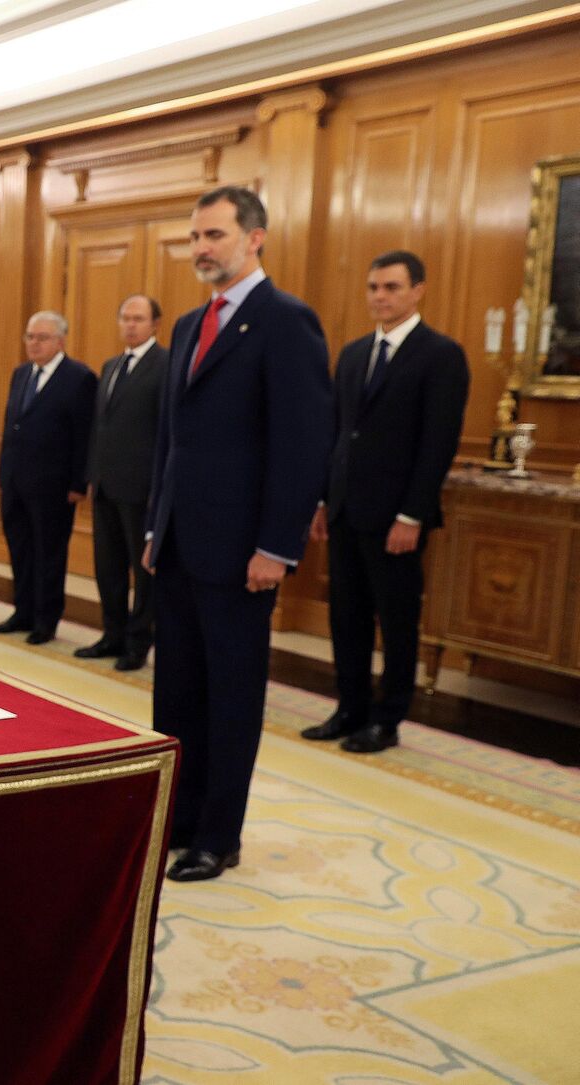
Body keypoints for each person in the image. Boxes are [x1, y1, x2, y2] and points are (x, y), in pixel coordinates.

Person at [145, 186, 332, 882]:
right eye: (195, 236)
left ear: (255, 238)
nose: (201, 248)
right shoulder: (190, 324)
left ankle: (219, 836)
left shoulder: (287, 321)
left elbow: (302, 444)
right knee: (177, 693)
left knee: (230, 698)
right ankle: (181, 818)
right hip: (179, 543)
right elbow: (172, 439)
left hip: (242, 552)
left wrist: (277, 546)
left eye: (215, 235)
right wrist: (155, 524)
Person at [304, 250, 468, 754]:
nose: (380, 296)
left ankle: (388, 718)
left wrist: (412, 514)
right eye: (374, 287)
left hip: (397, 515)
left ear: (418, 290)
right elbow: (335, 433)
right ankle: (349, 707)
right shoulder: (354, 353)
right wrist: (322, 500)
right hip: (345, 509)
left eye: (391, 287)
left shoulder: (441, 355)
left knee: (396, 621)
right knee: (346, 616)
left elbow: (437, 444)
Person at [0, 312, 96, 646]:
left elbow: (84, 435)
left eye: (42, 338)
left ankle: (45, 620)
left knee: (48, 554)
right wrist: (3, 471)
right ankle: (22, 611)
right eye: (30, 337)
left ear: (60, 341)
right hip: (16, 480)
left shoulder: (79, 378)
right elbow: (11, 425)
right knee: (20, 549)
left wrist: (78, 484)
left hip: (54, 485)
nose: (34, 343)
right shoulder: (21, 373)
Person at [79, 295, 168, 671]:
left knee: (142, 571)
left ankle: (138, 642)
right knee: (108, 566)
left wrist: (159, 488)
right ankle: (111, 634)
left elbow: (165, 432)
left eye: (138, 318)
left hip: (141, 488)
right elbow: (99, 427)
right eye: (125, 318)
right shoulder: (111, 365)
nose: (130, 325)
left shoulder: (165, 365)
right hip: (105, 485)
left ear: (155, 324)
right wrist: (91, 475)